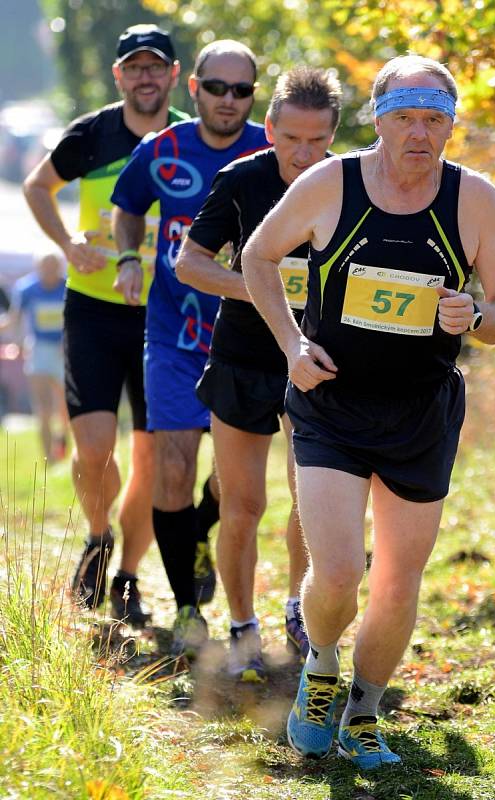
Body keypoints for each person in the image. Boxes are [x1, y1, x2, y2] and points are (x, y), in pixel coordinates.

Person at [242, 54, 495, 767]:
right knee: (338, 573)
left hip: (420, 410)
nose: (419, 135)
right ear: (377, 120)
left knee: (398, 580)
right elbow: (257, 255)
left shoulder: (472, 198)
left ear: (450, 126)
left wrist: (475, 316)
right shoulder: (329, 184)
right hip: (329, 399)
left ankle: (363, 712)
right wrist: (290, 344)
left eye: (434, 120)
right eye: (404, 118)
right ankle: (321, 668)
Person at [175, 66, 342, 681]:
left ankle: (300, 611)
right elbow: (190, 264)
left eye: (316, 141)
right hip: (244, 359)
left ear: (334, 135)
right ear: (268, 128)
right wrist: (260, 290)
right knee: (243, 504)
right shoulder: (241, 179)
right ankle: (242, 627)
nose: (302, 154)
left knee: (314, 502)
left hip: (317, 364)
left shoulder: (351, 186)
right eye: (290, 139)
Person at [22, 24, 188, 628]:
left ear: (173, 75)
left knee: (148, 456)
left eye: (156, 66)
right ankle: (97, 539)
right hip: (92, 309)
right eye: (134, 67)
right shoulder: (91, 135)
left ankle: (127, 578)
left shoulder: (190, 139)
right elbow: (37, 185)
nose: (145, 76)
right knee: (94, 448)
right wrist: (67, 244)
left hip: (164, 316)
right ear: (118, 76)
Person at [111, 40, 268, 657]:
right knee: (171, 470)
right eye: (217, 87)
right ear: (194, 86)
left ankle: (201, 538)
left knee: (230, 488)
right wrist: (129, 256)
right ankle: (185, 609)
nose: (228, 100)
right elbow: (127, 209)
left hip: (247, 343)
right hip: (174, 336)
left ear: (254, 95)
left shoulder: (277, 149)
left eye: (242, 90)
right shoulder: (161, 150)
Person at [0, 250, 68, 463]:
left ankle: (63, 438)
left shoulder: (68, 287)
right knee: (43, 408)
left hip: (64, 350)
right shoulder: (27, 289)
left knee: (66, 407)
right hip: (39, 350)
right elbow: (15, 319)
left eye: (53, 267)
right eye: (45, 267)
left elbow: (77, 319)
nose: (49, 272)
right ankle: (49, 458)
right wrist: (17, 341)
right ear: (38, 268)